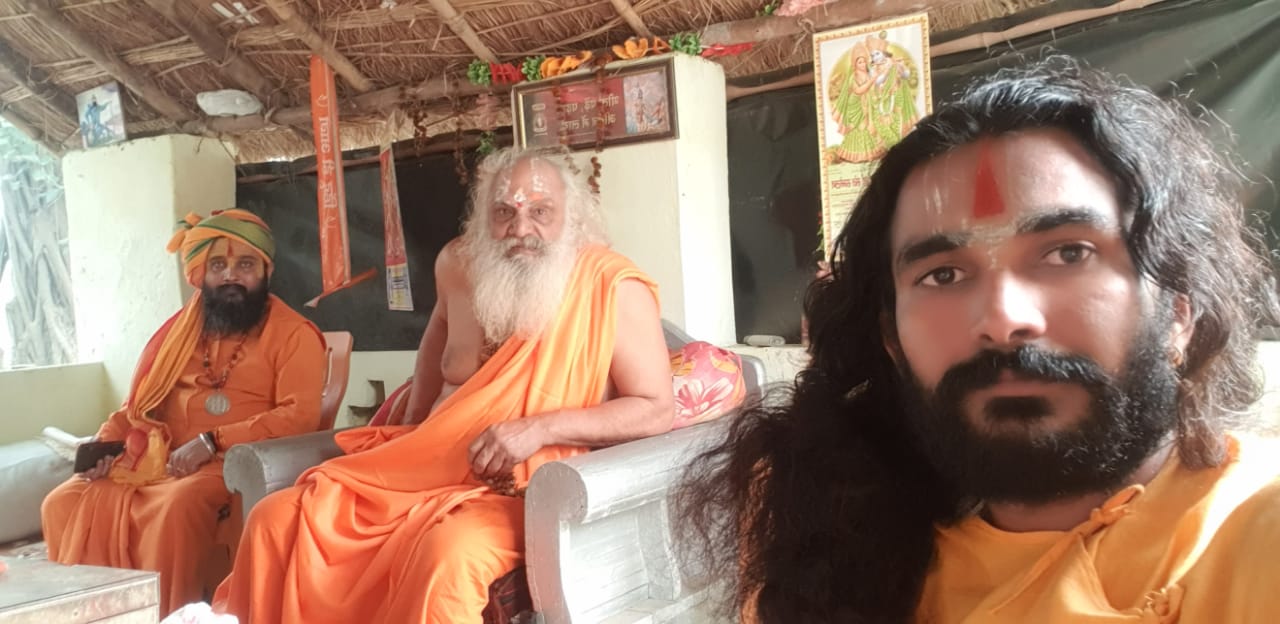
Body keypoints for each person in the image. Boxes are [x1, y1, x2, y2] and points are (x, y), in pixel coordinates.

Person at [678, 56, 1280, 623]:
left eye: (1068, 253)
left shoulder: (1253, 534)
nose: (1002, 319)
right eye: (943, 275)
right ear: (891, 339)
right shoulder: (841, 555)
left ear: (1179, 310)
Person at [213, 146, 675, 623]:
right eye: (504, 213)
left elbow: (657, 408)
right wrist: (405, 445)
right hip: (424, 470)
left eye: (540, 212)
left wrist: (540, 428)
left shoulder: (612, 286)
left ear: (572, 218)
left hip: (521, 491)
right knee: (274, 518)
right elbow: (428, 385)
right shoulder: (457, 265)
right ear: (483, 217)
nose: (520, 229)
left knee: (446, 555)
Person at [41, 209, 326, 616]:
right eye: (218, 265)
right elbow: (139, 405)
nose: (231, 276)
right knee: (62, 501)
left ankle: (167, 615)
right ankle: (94, 614)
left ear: (268, 270)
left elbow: (299, 417)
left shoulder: (294, 334)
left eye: (245, 265)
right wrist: (104, 445)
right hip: (158, 460)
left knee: (176, 507)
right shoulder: (181, 333)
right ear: (200, 275)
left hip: (231, 464)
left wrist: (213, 441)